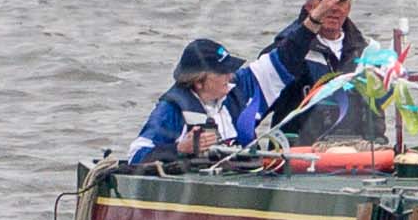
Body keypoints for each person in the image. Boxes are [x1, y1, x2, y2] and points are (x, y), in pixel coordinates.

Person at [125, 32, 312, 166]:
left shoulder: (238, 90)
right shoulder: (171, 110)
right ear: (199, 81)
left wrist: (314, 20)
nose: (230, 77)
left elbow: (286, 58)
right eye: (223, 72)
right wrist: (181, 149)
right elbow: (136, 156)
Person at [258, 0, 375, 144]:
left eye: (341, 0)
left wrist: (376, 139)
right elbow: (259, 99)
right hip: (295, 152)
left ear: (348, 8)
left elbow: (374, 108)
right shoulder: (287, 48)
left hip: (350, 151)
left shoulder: (362, 50)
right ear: (309, 6)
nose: (334, 7)